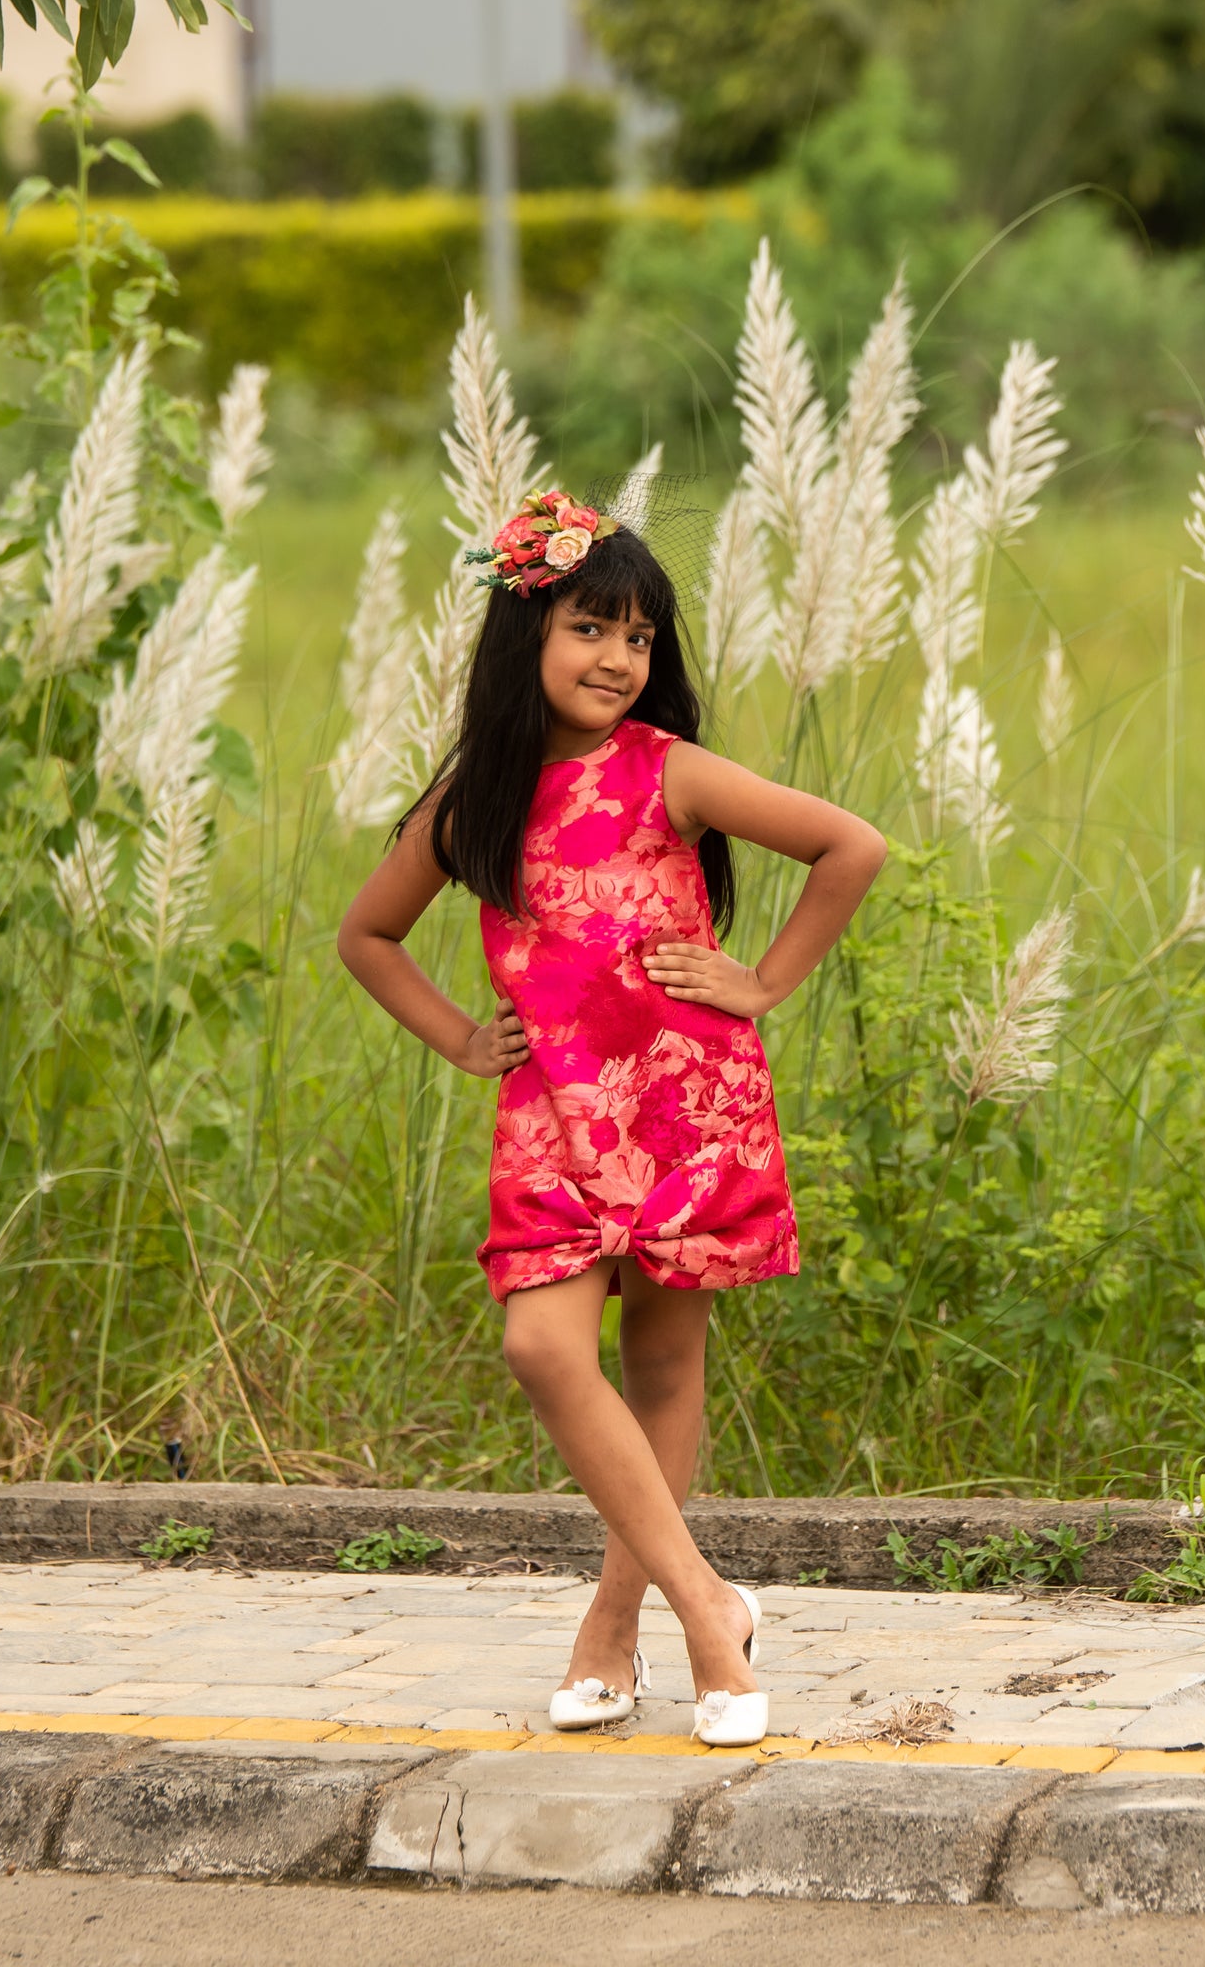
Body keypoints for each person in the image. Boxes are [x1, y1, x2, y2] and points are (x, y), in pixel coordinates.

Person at [338, 490, 885, 1747]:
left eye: (639, 639)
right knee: (542, 1346)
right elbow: (366, 935)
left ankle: (610, 1626)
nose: (616, 660)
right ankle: (707, 1607)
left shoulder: (668, 769)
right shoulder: (479, 795)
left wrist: (761, 982)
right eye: (591, 627)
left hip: (686, 1101)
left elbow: (849, 847)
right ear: (523, 635)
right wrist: (461, 1038)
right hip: (550, 1114)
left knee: (662, 1366)